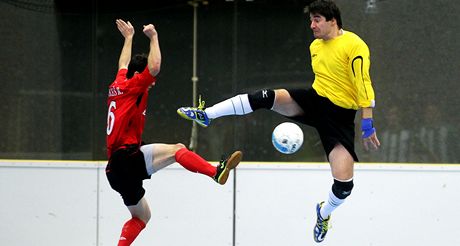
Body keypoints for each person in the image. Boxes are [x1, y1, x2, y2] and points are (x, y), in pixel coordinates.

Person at [177, 0, 380, 243]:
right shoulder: (315, 46)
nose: (312, 25)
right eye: (311, 20)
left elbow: (363, 83)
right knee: (266, 97)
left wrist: (367, 123)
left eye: (317, 20)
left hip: (340, 117)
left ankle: (323, 213)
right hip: (315, 100)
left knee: (344, 186)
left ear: (332, 21)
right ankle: (207, 115)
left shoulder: (354, 45)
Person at [105, 19, 242, 246]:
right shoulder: (136, 85)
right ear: (140, 75)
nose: (153, 83)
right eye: (150, 81)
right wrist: (154, 37)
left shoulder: (118, 82)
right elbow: (155, 66)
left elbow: (123, 63)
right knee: (177, 149)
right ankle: (215, 172)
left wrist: (128, 38)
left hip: (113, 170)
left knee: (142, 216)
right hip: (126, 157)